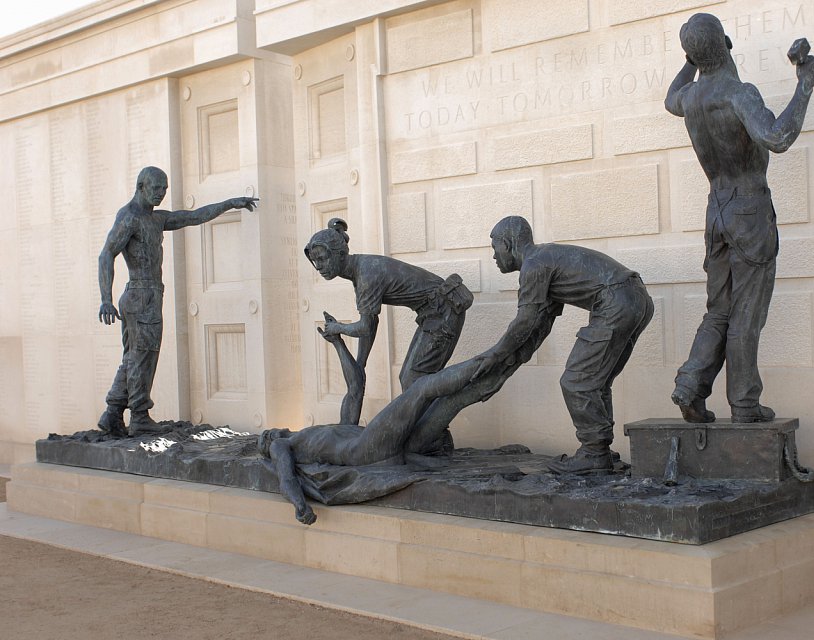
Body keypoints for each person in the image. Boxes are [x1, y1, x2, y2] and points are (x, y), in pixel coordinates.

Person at [664, 14, 814, 424]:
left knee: (719, 309)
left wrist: (691, 60)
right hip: (748, 209)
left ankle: (690, 385)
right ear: (728, 44)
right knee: (746, 311)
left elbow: (670, 97)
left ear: (695, 56)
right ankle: (745, 404)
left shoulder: (692, 98)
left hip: (716, 210)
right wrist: (804, 86)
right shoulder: (738, 94)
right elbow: (777, 137)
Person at [262, 308, 558, 525]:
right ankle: (497, 353)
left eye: (267, 433)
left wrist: (338, 343)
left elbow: (355, 388)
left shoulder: (325, 432)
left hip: (392, 449)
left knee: (451, 401)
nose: (268, 434)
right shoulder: (284, 447)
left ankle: (519, 352)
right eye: (264, 438)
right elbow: (287, 478)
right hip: (367, 450)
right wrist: (300, 506)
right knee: (421, 389)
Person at [473, 216, 654, 474]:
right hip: (637, 299)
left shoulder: (533, 266)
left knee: (576, 381)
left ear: (509, 243)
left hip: (616, 302)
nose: (493, 256)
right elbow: (540, 325)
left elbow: (524, 322)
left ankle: (594, 453)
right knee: (595, 382)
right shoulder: (547, 258)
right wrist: (509, 362)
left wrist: (494, 355)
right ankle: (600, 450)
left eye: (495, 247)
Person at [97, 166, 258, 437]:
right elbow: (106, 255)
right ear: (140, 187)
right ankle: (138, 416)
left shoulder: (155, 218)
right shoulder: (130, 218)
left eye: (164, 189)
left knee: (134, 356)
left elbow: (193, 216)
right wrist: (105, 299)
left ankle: (113, 412)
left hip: (147, 295)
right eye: (156, 188)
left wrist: (230, 203)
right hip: (140, 296)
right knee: (143, 357)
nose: (161, 194)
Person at [304, 218, 473, 425]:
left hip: (444, 311)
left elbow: (365, 326)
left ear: (339, 254)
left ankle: (433, 437)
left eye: (322, 258)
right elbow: (370, 324)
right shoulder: (361, 270)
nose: (319, 267)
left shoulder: (366, 274)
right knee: (410, 379)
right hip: (434, 313)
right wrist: (360, 363)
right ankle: (430, 436)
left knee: (414, 380)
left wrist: (337, 328)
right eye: (315, 261)